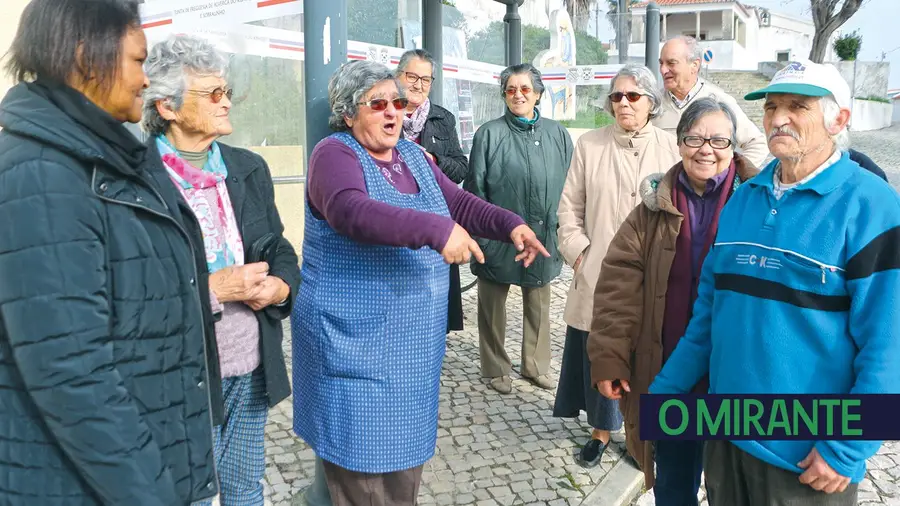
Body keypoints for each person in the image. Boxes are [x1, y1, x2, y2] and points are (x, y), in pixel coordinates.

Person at [291, 60, 549, 505]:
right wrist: (435, 231)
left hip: (409, 353)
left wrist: (510, 224)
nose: (393, 112)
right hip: (354, 346)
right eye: (378, 104)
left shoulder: (411, 155)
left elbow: (459, 203)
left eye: (399, 102)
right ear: (349, 113)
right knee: (362, 477)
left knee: (402, 473)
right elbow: (351, 212)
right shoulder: (335, 154)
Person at [650, 60, 900, 505]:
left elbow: (889, 346)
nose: (778, 118)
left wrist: (846, 450)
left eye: (797, 106)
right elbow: (709, 317)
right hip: (726, 440)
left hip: (805, 461)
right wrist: (664, 395)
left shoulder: (873, 205)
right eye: (771, 106)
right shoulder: (744, 200)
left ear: (839, 119)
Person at [0, 1, 218, 504]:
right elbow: (71, 373)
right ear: (84, 57)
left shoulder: (113, 155)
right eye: (139, 61)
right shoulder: (43, 174)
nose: (146, 80)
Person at [142, 35, 300, 506]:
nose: (226, 100)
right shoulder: (136, 178)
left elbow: (278, 247)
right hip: (180, 369)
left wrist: (279, 286)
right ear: (167, 106)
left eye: (226, 90)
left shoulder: (247, 167)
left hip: (250, 362)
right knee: (185, 493)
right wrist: (213, 288)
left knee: (244, 488)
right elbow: (126, 291)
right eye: (212, 93)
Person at [587, 97, 759, 503]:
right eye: (695, 138)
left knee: (732, 488)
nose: (706, 149)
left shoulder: (758, 203)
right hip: (671, 372)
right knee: (674, 484)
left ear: (733, 146)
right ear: (679, 143)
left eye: (719, 140)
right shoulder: (652, 208)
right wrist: (610, 357)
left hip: (734, 379)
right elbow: (617, 288)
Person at [552, 64, 680, 467]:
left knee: (648, 353)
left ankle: (644, 435)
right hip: (599, 271)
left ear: (651, 103)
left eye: (632, 96)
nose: (623, 103)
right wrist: (579, 252)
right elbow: (569, 208)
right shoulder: (589, 145)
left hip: (655, 274)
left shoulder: (673, 148)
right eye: (616, 96)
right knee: (601, 350)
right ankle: (601, 432)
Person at [464, 63, 573, 394]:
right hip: (498, 237)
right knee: (492, 305)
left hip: (543, 236)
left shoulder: (557, 134)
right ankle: (496, 365)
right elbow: (475, 190)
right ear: (503, 95)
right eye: (511, 89)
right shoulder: (490, 133)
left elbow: (571, 186)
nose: (518, 95)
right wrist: (482, 236)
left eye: (525, 89)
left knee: (539, 303)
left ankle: (536, 364)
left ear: (538, 94)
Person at [396, 48, 469, 333]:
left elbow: (460, 167)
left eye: (426, 80)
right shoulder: (383, 113)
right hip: (396, 222)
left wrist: (435, 162)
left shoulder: (442, 118)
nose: (418, 85)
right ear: (397, 75)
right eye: (412, 76)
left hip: (436, 222)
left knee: (434, 306)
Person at [654, 35, 769, 168]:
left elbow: (757, 143)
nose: (663, 70)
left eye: (671, 63)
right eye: (661, 63)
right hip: (665, 187)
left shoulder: (720, 102)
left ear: (694, 65)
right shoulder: (652, 104)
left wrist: (732, 177)